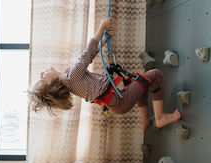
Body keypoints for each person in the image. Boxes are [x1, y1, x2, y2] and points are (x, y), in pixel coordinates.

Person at [29, 17, 181, 131]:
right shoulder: (71, 78)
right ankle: (160, 117)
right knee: (155, 75)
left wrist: (104, 40)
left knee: (142, 85)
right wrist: (101, 28)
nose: (42, 72)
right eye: (42, 78)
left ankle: (145, 121)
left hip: (118, 101)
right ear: (52, 83)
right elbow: (87, 53)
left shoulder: (69, 76)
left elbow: (90, 54)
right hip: (121, 102)